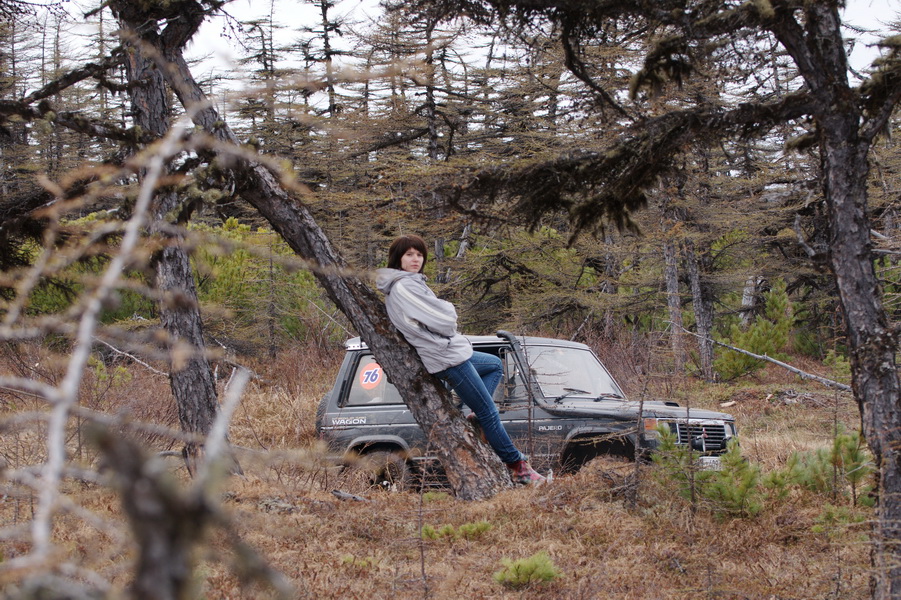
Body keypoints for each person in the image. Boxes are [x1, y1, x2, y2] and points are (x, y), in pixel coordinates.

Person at [375, 234, 545, 485]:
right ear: (397, 258)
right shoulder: (404, 286)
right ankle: (518, 466)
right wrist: (449, 311)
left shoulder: (409, 283)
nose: (415, 259)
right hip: (446, 356)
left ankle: (476, 418)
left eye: (419, 254)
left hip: (448, 351)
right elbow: (444, 320)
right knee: (490, 412)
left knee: (493, 365)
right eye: (409, 254)